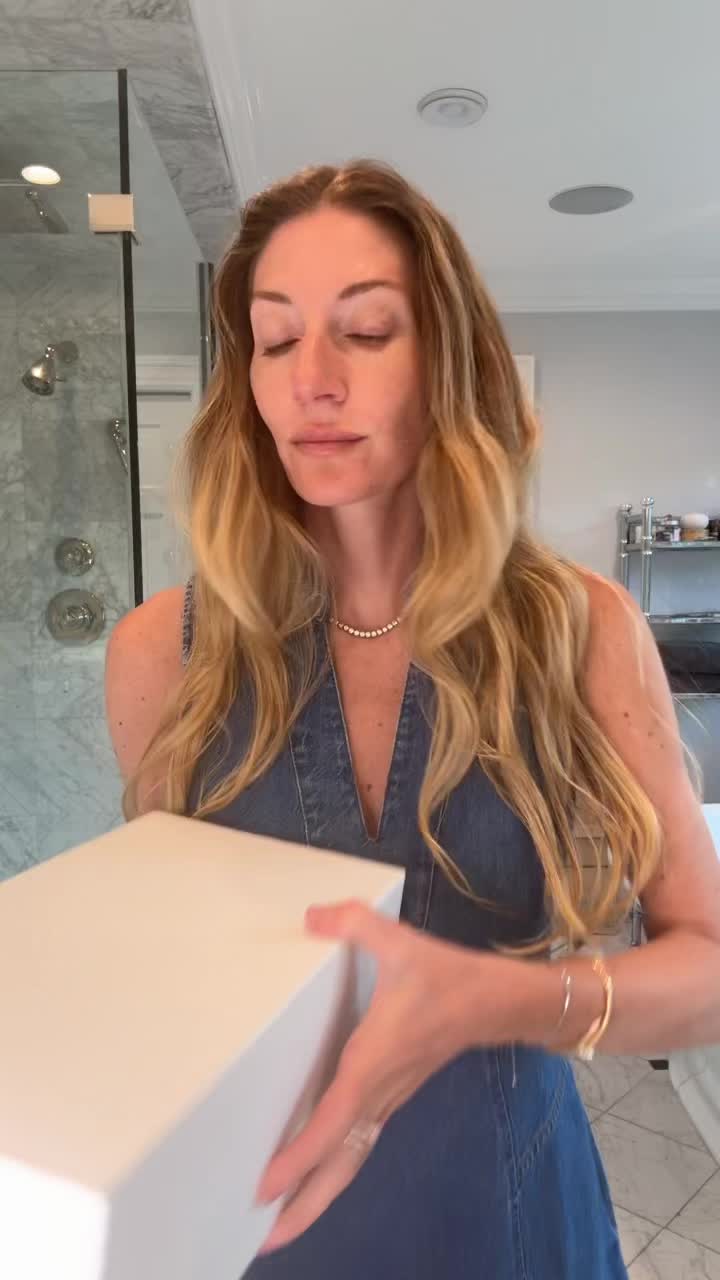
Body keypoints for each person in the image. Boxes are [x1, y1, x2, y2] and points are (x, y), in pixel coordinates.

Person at [106, 161, 720, 1279]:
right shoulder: (163, 655)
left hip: (510, 1210)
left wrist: (514, 999)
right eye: (276, 340)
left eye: (367, 330)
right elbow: (165, 980)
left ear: (447, 359)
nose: (313, 381)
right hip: (268, 1223)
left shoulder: (578, 627)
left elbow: (708, 969)